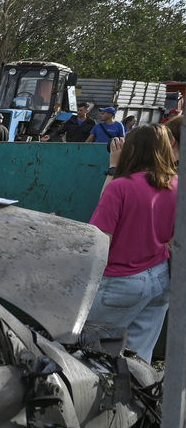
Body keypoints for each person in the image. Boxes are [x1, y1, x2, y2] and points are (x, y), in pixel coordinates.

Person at [84, 124, 178, 359]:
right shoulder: (177, 185)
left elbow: (99, 240)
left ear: (132, 150)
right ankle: (134, 395)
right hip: (161, 278)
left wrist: (114, 168)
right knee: (137, 357)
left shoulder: (120, 187)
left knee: (92, 353)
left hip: (120, 283)